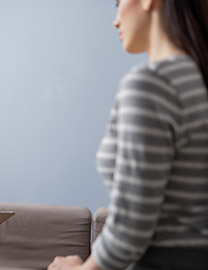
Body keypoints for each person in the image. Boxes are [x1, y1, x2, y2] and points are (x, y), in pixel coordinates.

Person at [49, 0, 208, 269]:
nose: (116, 20)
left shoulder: (150, 84)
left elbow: (131, 228)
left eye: (118, 3)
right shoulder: (195, 80)